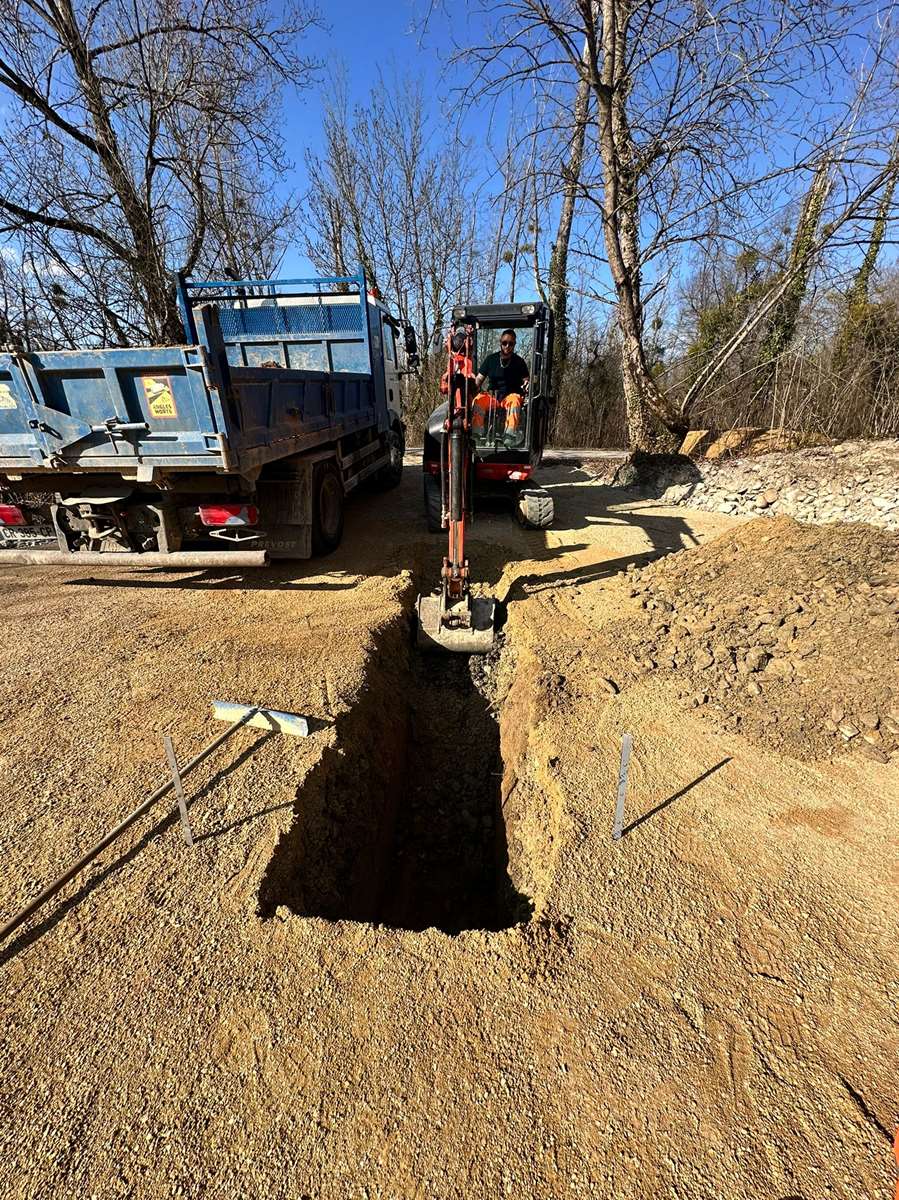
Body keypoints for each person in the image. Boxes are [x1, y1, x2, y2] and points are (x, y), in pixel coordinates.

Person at [473, 329, 529, 445]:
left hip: (510, 396)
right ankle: (476, 434)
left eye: (510, 343)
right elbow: (479, 378)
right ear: (500, 343)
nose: (507, 346)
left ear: (514, 344)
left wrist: (526, 385)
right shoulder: (491, 359)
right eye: (504, 343)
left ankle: (510, 434)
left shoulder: (520, 362)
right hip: (493, 396)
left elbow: (526, 380)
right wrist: (472, 386)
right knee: (479, 400)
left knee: (515, 400)